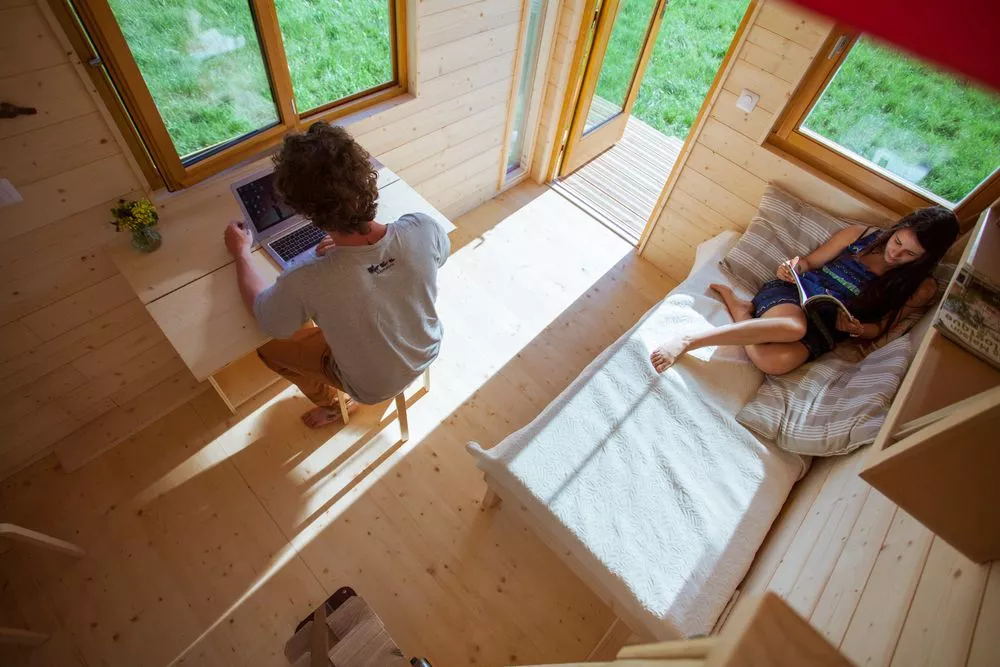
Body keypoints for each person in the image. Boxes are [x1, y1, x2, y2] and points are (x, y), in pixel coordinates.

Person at [223, 123, 450, 428]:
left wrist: (241, 253)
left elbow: (268, 319)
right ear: (365, 175)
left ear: (305, 210)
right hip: (427, 346)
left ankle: (335, 405)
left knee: (269, 348)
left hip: (371, 387)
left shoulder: (306, 279)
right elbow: (438, 257)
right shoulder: (422, 227)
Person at [650, 206, 959, 375]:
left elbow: (878, 329)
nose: (896, 254)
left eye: (909, 255)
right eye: (898, 242)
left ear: (926, 259)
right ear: (896, 230)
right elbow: (809, 263)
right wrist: (793, 267)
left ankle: (743, 312)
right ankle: (689, 340)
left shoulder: (921, 287)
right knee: (793, 326)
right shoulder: (860, 235)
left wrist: (856, 328)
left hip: (828, 324)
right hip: (795, 296)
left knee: (775, 363)